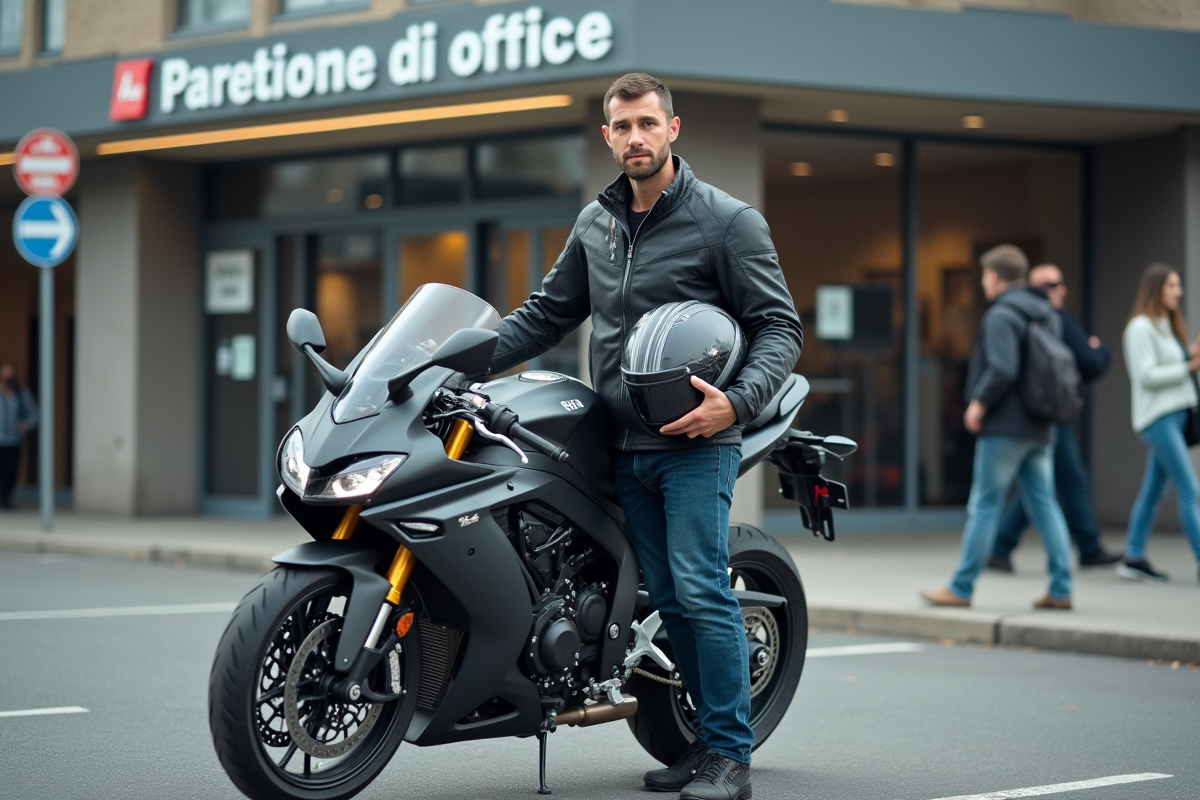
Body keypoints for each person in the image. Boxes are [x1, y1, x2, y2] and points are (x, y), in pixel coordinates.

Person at [490, 73, 802, 800]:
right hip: (622, 446)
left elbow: (779, 328)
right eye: (622, 126)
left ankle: (730, 756)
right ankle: (701, 747)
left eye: (647, 124)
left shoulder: (727, 221)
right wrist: (449, 362)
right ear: (607, 136)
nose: (635, 137)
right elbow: (544, 316)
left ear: (673, 128)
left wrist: (738, 404)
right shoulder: (594, 225)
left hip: (697, 443)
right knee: (665, 594)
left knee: (698, 588)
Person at [920, 245, 1074, 610]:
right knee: (1046, 504)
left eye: (985, 276)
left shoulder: (1001, 315)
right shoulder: (1046, 314)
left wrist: (978, 403)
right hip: (1041, 426)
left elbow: (1003, 368)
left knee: (985, 504)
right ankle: (1061, 588)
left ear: (992, 277)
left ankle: (961, 587)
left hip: (1005, 426)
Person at [986, 265, 1121, 572]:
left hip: (1036, 417)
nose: (1061, 289)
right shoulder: (1052, 320)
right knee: (1054, 487)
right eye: (1051, 284)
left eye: (1061, 283)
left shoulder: (1020, 318)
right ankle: (1080, 552)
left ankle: (1003, 551)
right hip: (1047, 417)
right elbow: (1089, 363)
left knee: (1038, 489)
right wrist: (1100, 351)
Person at [1118, 263, 1200, 583]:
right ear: (1156, 289)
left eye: (1178, 286)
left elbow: (1173, 366)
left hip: (1178, 416)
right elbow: (1146, 376)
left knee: (1153, 492)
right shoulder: (1140, 327)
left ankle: (1133, 556)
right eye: (1172, 286)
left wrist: (1189, 356)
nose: (1178, 292)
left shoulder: (1166, 324)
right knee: (1190, 489)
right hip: (1159, 418)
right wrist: (1189, 366)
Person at [0, 362, 39, 510]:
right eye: (5, 375)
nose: (8, 378)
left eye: (10, 375)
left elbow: (34, 414)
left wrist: (26, 424)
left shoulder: (21, 394)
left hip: (14, 440)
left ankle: (6, 499)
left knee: (10, 471)